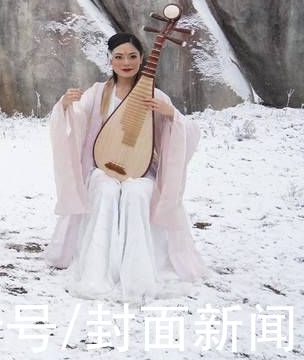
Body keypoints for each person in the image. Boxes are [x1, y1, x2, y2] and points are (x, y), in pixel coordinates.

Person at [46, 32, 206, 300]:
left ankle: (141, 272)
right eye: (119, 57)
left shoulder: (155, 95)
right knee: (106, 191)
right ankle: (99, 270)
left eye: (132, 56)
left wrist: (170, 115)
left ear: (142, 58)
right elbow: (76, 124)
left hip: (141, 168)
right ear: (110, 60)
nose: (126, 62)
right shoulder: (98, 94)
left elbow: (185, 133)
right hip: (103, 168)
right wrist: (64, 107)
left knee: (138, 193)